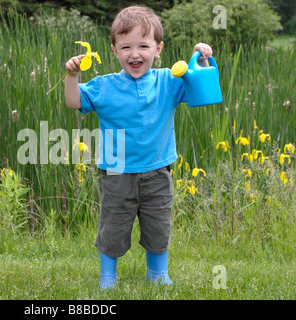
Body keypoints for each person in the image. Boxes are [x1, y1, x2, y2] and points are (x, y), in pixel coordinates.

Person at [64, 5, 213, 289]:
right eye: (126, 47)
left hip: (158, 172)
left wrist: (202, 60)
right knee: (113, 227)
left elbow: (200, 88)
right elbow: (73, 102)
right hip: (116, 174)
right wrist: (72, 76)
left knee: (158, 226)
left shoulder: (169, 80)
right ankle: (107, 276)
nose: (135, 54)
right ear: (114, 50)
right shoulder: (103, 86)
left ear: (158, 48)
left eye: (143, 46)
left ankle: (157, 274)